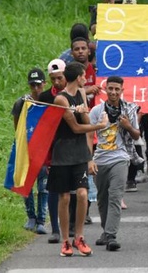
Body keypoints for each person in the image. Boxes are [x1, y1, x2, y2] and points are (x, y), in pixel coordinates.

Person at [47, 61, 108, 257]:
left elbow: (85, 122)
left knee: (82, 194)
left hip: (80, 152)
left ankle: (79, 237)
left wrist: (83, 112)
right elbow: (75, 128)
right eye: (83, 76)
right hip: (62, 153)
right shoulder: (61, 99)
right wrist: (100, 126)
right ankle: (65, 240)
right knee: (64, 197)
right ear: (78, 77)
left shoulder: (81, 94)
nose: (86, 79)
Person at [88, 76, 141, 252]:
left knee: (115, 196)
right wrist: (89, 159)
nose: (113, 92)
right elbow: (88, 136)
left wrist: (127, 126)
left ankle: (111, 235)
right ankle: (106, 231)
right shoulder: (96, 111)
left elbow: (136, 136)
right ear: (106, 90)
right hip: (100, 159)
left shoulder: (128, 110)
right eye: (110, 89)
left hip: (120, 158)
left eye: (117, 89)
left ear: (122, 91)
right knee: (102, 200)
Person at [12, 68, 49, 235]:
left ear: (44, 84)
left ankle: (41, 219)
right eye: (32, 85)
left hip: (43, 150)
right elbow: (17, 126)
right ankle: (31, 217)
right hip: (27, 150)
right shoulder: (21, 103)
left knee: (43, 187)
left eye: (38, 85)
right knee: (26, 185)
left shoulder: (50, 101)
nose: (36, 88)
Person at [38, 58, 67, 243]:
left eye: (60, 78)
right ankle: (55, 229)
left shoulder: (72, 94)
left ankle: (70, 227)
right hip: (53, 149)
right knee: (53, 189)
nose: (56, 82)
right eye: (53, 79)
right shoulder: (45, 97)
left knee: (73, 191)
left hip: (71, 145)